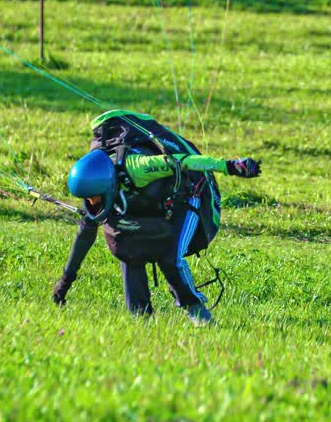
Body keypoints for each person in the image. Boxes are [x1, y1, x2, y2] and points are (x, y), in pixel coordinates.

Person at [53, 109, 261, 325]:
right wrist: (64, 283)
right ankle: (141, 319)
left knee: (170, 258)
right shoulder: (93, 186)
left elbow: (185, 161)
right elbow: (84, 236)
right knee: (125, 247)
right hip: (148, 207)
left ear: (107, 185)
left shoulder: (138, 168)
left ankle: (198, 314)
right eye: (88, 199)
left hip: (186, 198)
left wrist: (229, 167)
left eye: (94, 198)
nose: (92, 203)